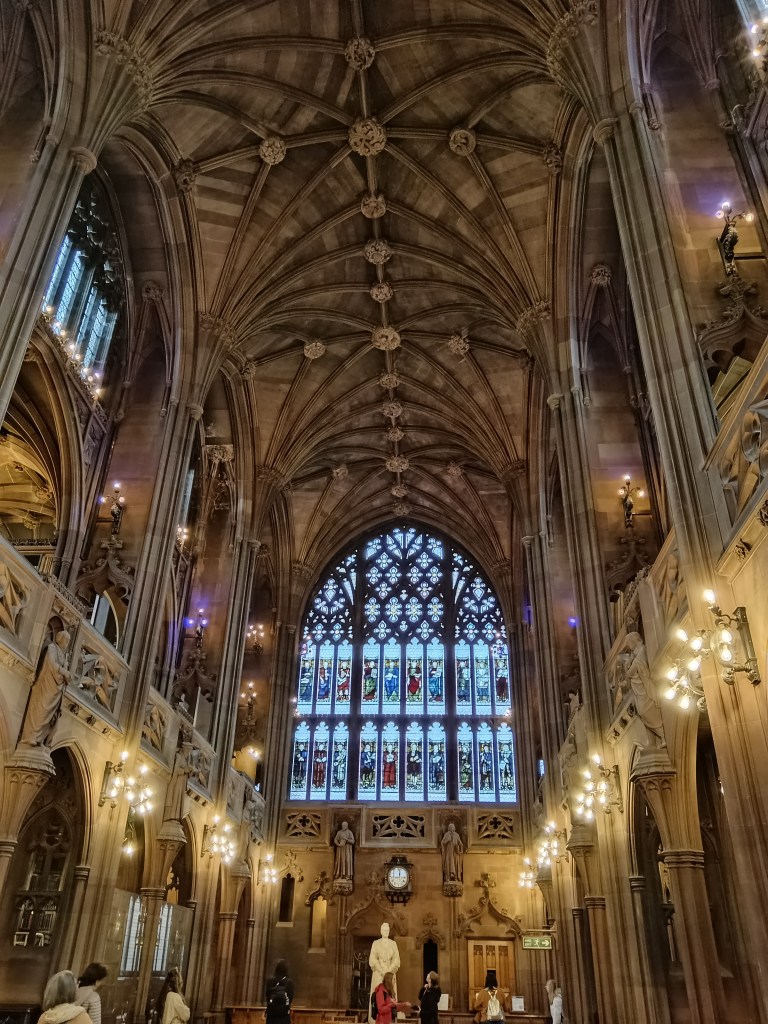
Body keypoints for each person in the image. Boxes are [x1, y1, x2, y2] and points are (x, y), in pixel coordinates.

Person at [18, 630, 72, 747]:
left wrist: (66, 668)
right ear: (60, 639)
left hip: (57, 689)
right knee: (41, 709)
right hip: (47, 684)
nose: (67, 643)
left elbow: (65, 672)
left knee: (51, 716)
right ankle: (32, 736)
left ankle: (41, 739)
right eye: (66, 640)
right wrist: (63, 671)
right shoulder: (52, 648)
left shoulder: (64, 655)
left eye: (68, 641)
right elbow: (50, 664)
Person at [369, 922, 401, 1006]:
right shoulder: (376, 943)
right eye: (384, 930)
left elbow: (396, 959)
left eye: (387, 930)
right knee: (378, 993)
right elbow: (372, 959)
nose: (386, 931)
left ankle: (390, 1010)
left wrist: (389, 970)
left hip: (390, 971)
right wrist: (381, 970)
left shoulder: (393, 944)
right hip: (379, 972)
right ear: (381, 931)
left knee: (390, 994)